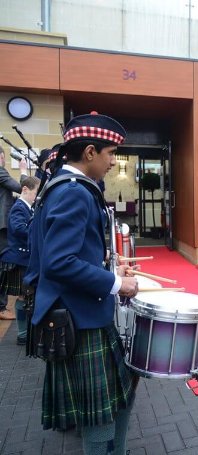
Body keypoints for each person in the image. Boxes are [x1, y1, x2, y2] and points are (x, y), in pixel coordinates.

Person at [24, 112, 140, 453]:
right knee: (99, 416)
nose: (112, 162)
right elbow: (59, 262)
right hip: (81, 318)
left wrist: (110, 273)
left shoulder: (61, 186)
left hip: (79, 313)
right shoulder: (72, 192)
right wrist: (117, 285)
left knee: (117, 400)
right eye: (109, 154)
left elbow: (64, 255)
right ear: (90, 152)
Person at [0, 176, 40, 344]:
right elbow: (18, 229)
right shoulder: (19, 207)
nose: (36, 196)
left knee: (26, 296)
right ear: (25, 190)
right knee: (24, 296)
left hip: (25, 259)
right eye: (35, 192)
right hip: (19, 259)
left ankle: (26, 332)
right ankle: (23, 334)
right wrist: (37, 231)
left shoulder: (28, 207)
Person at [0, 146, 28, 320]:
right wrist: (23, 170)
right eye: (2, 157)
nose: (3, 161)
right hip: (1, 227)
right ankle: (1, 308)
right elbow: (20, 187)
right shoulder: (0, 172)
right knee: (2, 266)